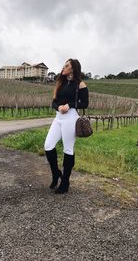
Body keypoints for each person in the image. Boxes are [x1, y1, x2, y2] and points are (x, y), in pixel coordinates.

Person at [44, 58, 89, 194]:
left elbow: (84, 104)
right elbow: (53, 103)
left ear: (73, 68)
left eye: (67, 65)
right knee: (48, 145)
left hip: (71, 118)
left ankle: (65, 183)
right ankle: (56, 173)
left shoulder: (80, 84)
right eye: (64, 65)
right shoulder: (60, 83)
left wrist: (69, 105)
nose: (63, 67)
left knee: (68, 149)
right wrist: (59, 107)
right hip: (58, 118)